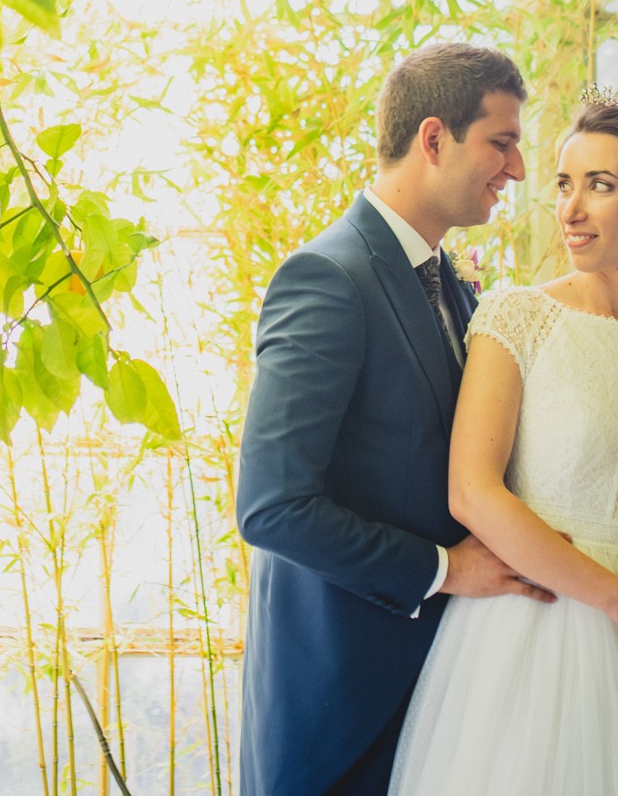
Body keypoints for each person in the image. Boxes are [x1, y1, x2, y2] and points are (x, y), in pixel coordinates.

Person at [386, 92, 618, 794]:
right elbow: (472, 493)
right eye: (565, 183)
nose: (570, 208)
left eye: (601, 185)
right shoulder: (515, 316)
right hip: (531, 636)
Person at [236, 43, 553, 796]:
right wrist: (446, 569)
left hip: (446, 698)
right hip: (342, 705)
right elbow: (272, 506)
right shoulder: (326, 278)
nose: (517, 169)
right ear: (434, 138)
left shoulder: (458, 286)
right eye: (501, 143)